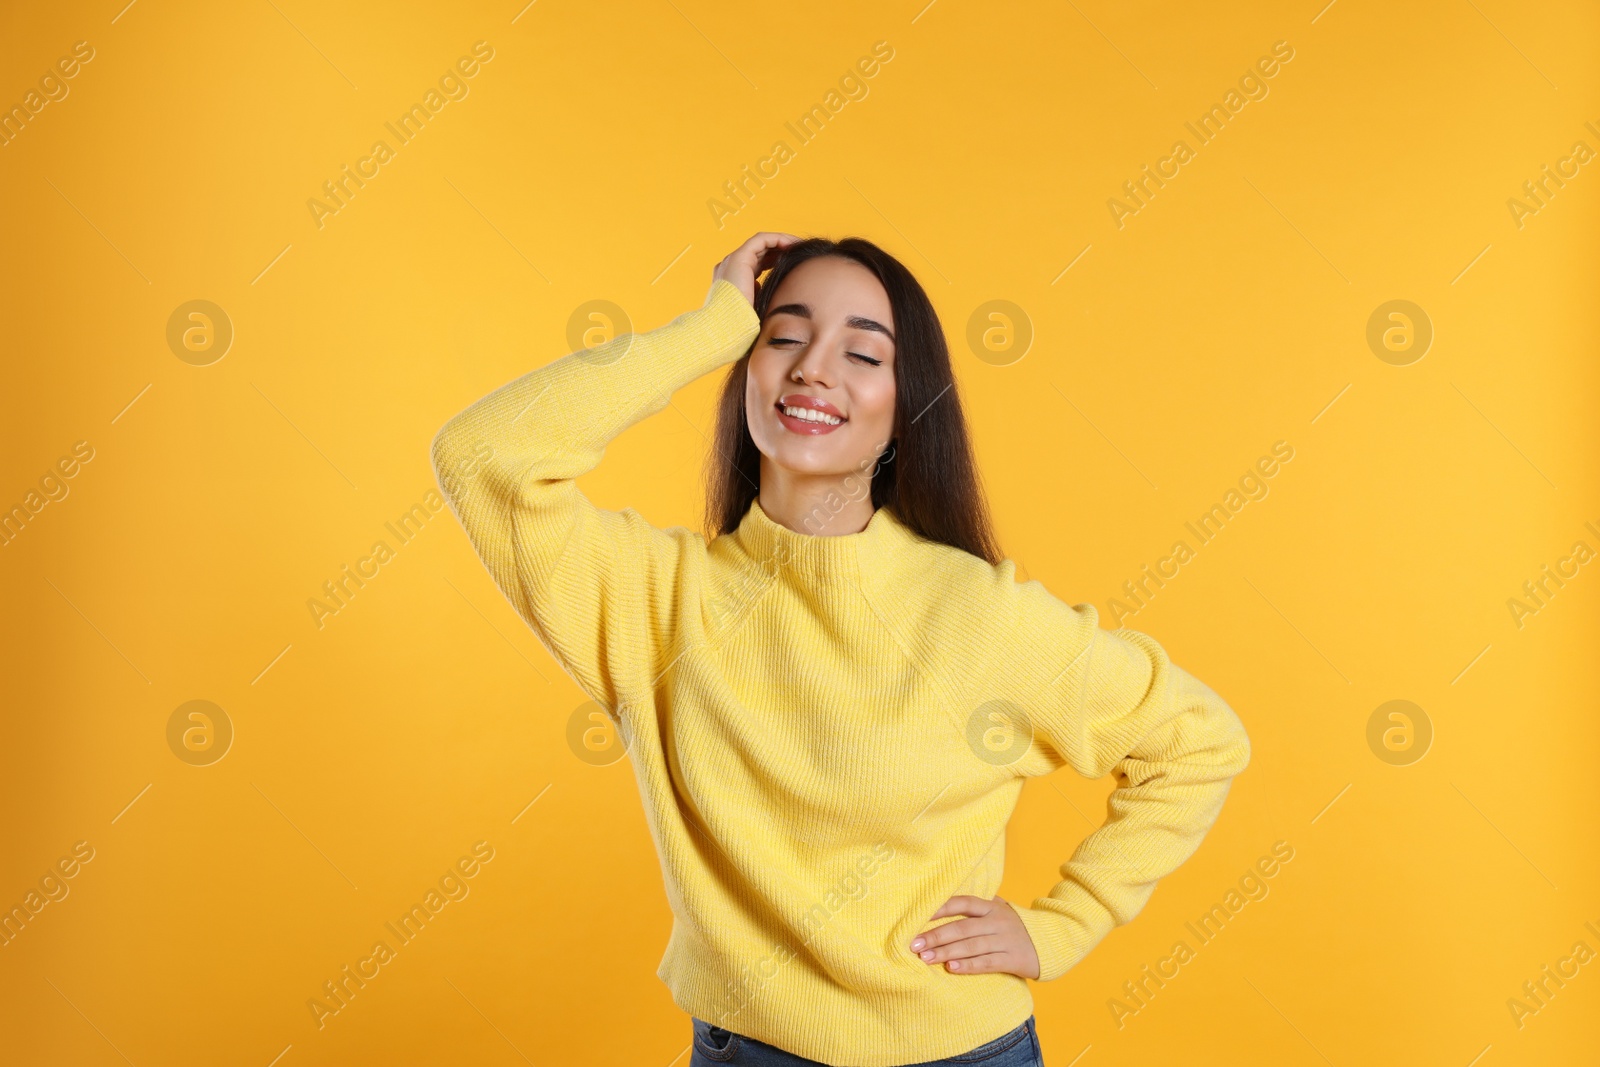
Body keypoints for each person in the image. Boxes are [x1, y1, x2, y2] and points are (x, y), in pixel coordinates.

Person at [430, 232, 1252, 1067]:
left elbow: (1198, 742)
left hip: (955, 1051)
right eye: (782, 336)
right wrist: (710, 325)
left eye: (862, 353)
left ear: (904, 407)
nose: (813, 368)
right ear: (746, 367)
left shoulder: (976, 613)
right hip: (745, 1050)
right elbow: (483, 456)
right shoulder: (655, 601)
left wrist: (1063, 926)